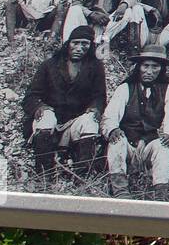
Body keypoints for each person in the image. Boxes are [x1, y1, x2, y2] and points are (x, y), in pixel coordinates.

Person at [21, 25, 107, 176]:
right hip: (51, 122)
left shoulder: (95, 67)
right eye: (76, 43)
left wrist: (95, 108)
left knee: (90, 121)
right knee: (46, 118)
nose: (79, 48)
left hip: (74, 123)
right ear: (68, 44)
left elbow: (99, 96)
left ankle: (81, 175)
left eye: (85, 44)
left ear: (90, 46)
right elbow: (31, 96)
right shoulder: (49, 65)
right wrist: (40, 107)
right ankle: (43, 175)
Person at [102, 44, 169, 200]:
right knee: (117, 140)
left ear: (161, 69)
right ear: (139, 66)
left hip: (148, 146)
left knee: (163, 146)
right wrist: (112, 129)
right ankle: (120, 190)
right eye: (146, 66)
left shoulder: (168, 89)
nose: (149, 71)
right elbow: (110, 114)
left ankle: (160, 193)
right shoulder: (126, 88)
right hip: (127, 147)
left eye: (155, 67)